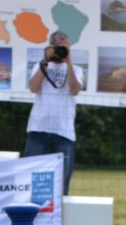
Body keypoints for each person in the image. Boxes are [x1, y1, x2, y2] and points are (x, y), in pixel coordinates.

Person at [24, 31, 83, 195]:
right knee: (31, 175)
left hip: (64, 130)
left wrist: (68, 62)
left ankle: (59, 210)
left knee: (61, 181)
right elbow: (33, 87)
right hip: (38, 127)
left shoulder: (76, 69)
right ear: (51, 47)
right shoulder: (41, 66)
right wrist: (45, 61)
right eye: (58, 46)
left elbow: (75, 90)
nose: (61, 50)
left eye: (65, 46)